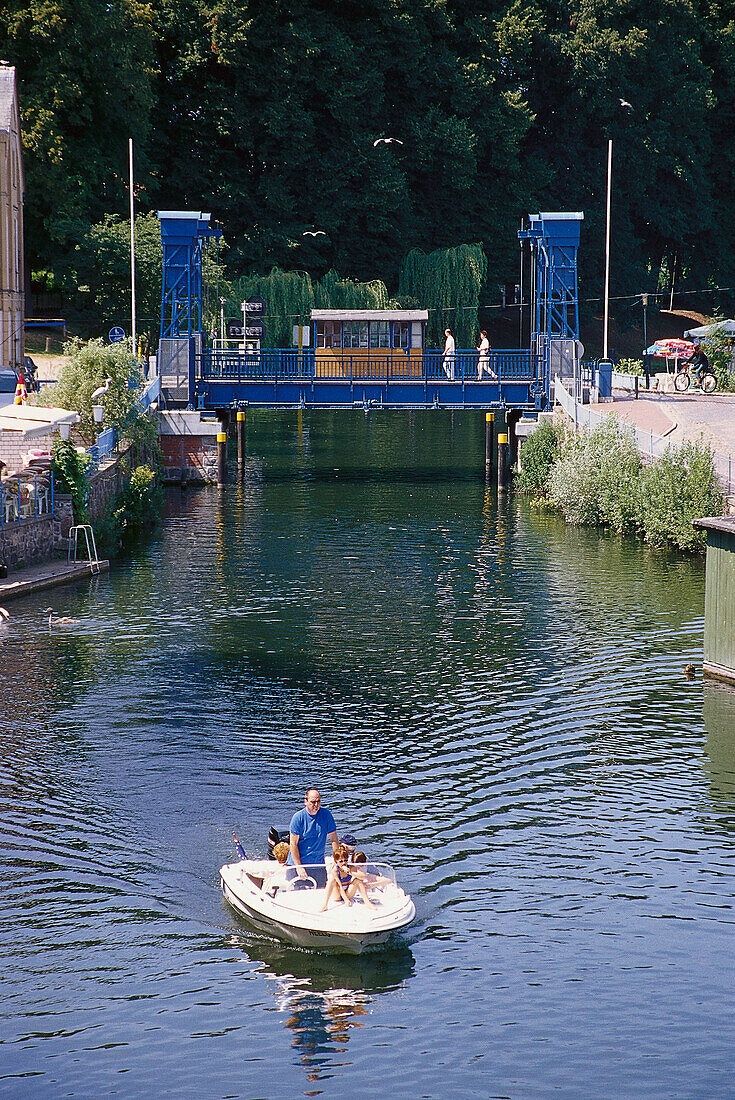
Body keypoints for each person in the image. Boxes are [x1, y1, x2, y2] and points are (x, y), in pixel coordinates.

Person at [288, 787, 338, 886]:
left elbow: (334, 840)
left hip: (317, 865)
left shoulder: (326, 815)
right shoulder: (298, 818)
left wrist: (337, 861)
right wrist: (299, 867)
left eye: (318, 801)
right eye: (313, 802)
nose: (316, 805)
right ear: (305, 802)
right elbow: (293, 844)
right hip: (298, 864)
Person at [319, 844, 377, 911]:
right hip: (338, 893)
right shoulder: (335, 870)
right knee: (331, 880)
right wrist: (346, 900)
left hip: (348, 893)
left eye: (345, 860)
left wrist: (350, 872)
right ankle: (325, 904)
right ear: (336, 862)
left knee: (357, 880)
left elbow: (363, 876)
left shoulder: (350, 868)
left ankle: (367, 903)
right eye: (341, 861)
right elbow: (340, 886)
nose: (344, 863)